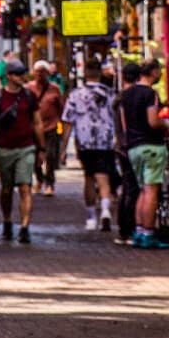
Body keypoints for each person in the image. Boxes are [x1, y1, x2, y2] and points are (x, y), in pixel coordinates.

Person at [117, 60, 169, 248]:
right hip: (151, 145)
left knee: (142, 189)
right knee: (151, 190)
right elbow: (153, 121)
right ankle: (149, 232)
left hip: (133, 147)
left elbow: (125, 125)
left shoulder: (126, 95)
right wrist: (167, 124)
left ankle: (139, 230)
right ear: (154, 72)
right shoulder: (150, 94)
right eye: (159, 71)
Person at [0, 61, 43, 244]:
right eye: (18, 74)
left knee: (25, 187)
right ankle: (7, 220)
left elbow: (37, 122)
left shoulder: (29, 96)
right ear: (9, 76)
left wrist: (41, 148)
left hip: (26, 147)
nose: (22, 78)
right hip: (4, 148)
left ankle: (25, 227)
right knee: (6, 190)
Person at [63, 61, 122, 232]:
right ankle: (105, 210)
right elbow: (118, 118)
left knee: (89, 177)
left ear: (86, 73)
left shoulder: (76, 95)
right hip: (105, 141)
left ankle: (91, 217)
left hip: (85, 141)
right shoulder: (110, 94)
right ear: (100, 73)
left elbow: (68, 121)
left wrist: (64, 148)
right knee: (103, 178)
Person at [33, 62, 67, 196]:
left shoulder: (55, 89)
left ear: (47, 73)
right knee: (35, 156)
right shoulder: (29, 88)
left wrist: (62, 126)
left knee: (51, 156)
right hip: (34, 128)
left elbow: (61, 109)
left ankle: (50, 182)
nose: (39, 74)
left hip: (51, 127)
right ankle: (39, 179)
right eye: (37, 71)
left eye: (42, 71)